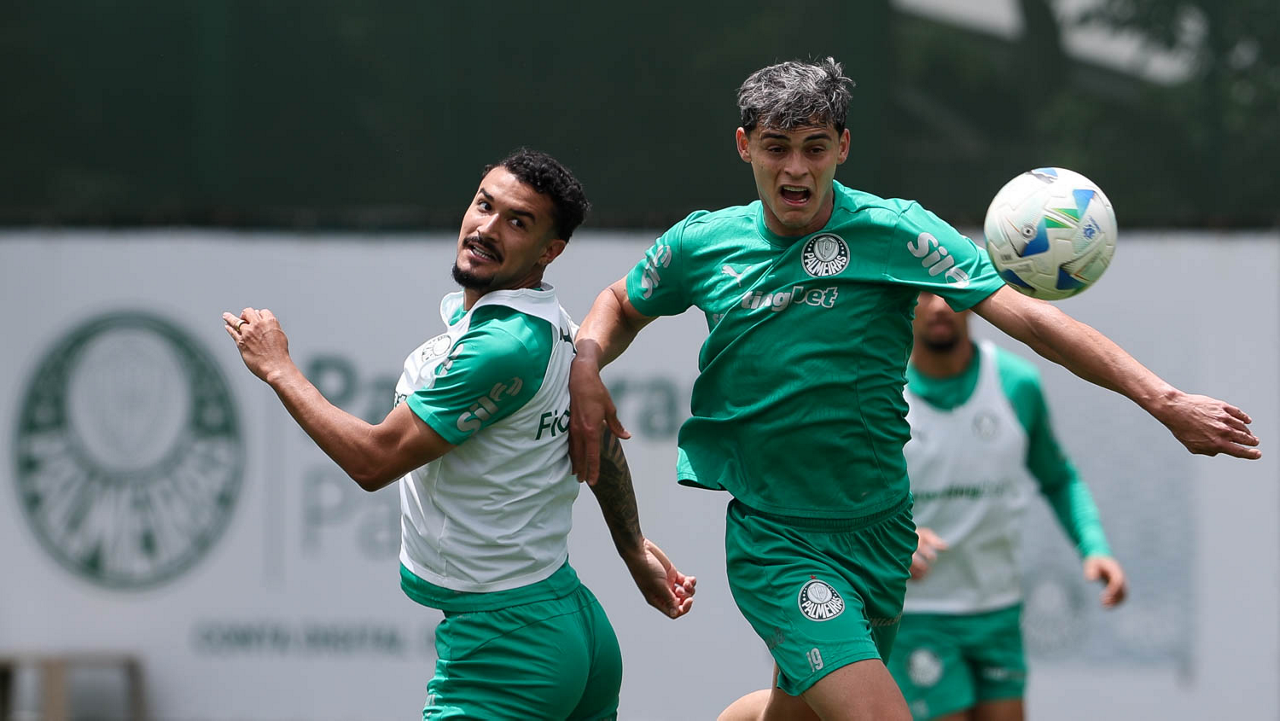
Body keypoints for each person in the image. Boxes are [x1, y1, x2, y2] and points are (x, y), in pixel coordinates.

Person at [566, 58, 1259, 721]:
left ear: (843, 145)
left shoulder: (898, 232)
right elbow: (621, 302)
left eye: (814, 146)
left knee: (801, 711)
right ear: (745, 145)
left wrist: (1162, 400)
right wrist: (588, 362)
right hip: (776, 538)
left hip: (881, 531)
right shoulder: (702, 243)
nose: (796, 168)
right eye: (777, 147)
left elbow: (1031, 321)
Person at [222, 148, 696, 720]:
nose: (486, 228)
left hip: (507, 650)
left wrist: (278, 369)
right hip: (568, 620)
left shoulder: (504, 347)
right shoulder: (543, 324)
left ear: (551, 251)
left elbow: (375, 461)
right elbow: (602, 444)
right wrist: (632, 548)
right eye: (483, 205)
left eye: (517, 221)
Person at [884, 290, 1127, 721]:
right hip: (917, 614)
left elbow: (1058, 477)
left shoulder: (1017, 383)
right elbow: (844, 495)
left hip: (997, 608)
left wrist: (1095, 547)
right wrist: (894, 535)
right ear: (904, 300)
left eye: (950, 291)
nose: (939, 305)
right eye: (924, 292)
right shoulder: (882, 391)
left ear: (974, 298)